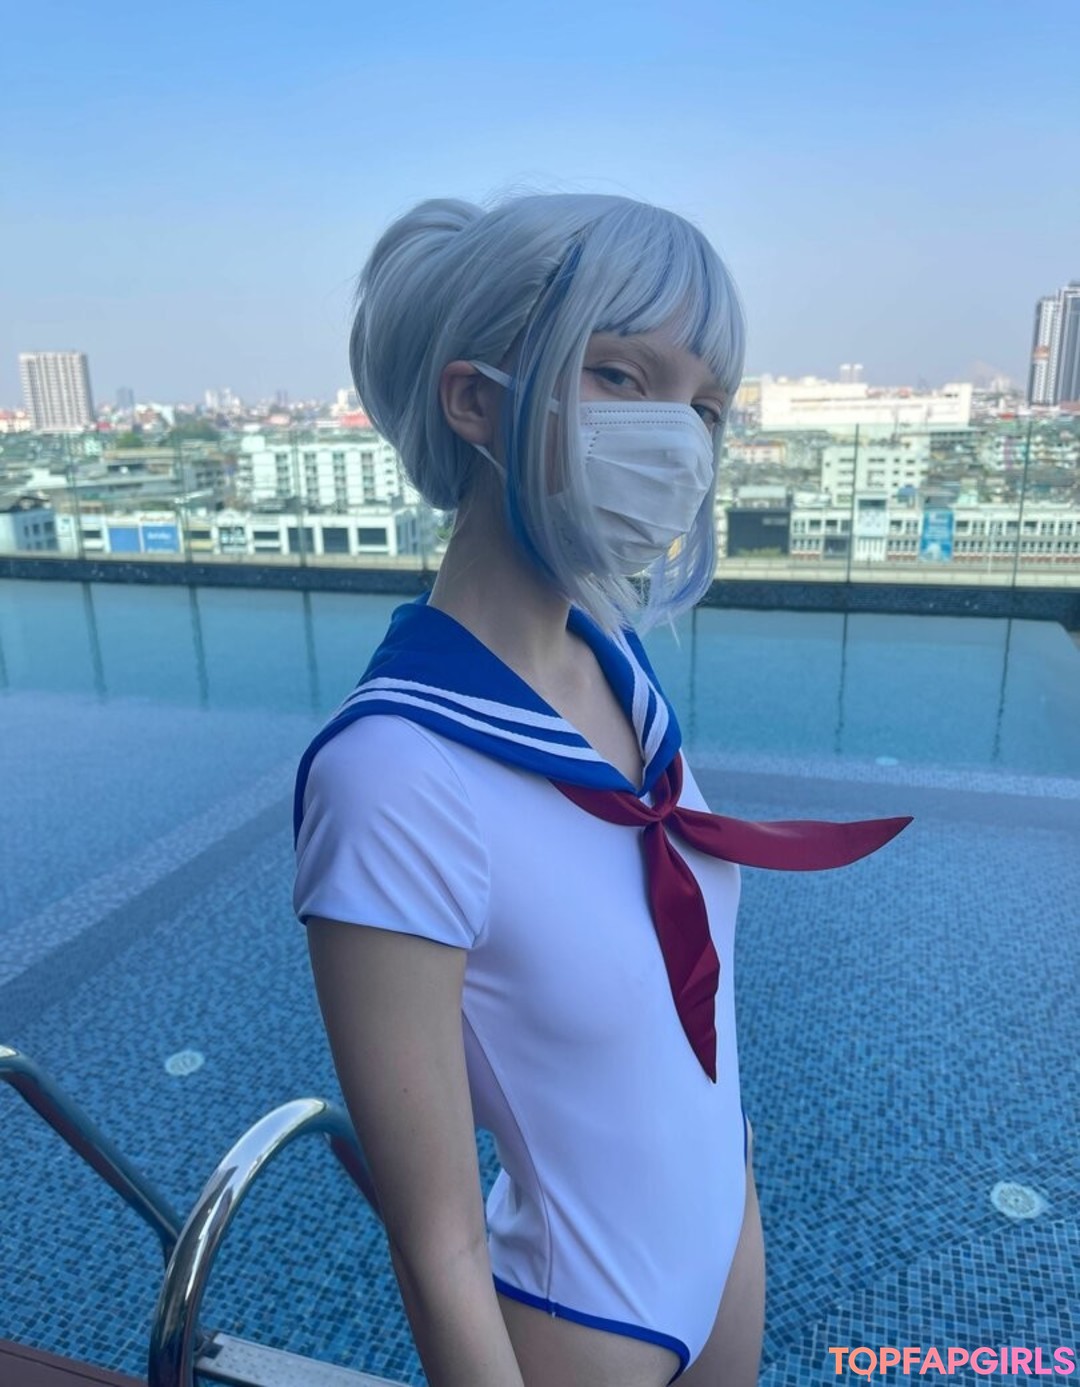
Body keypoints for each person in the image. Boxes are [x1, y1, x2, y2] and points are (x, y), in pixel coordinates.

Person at [292, 191, 913, 1387]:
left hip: (725, 1239)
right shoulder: (395, 776)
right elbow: (437, 1245)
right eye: (624, 375)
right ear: (474, 400)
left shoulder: (615, 663)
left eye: (706, 404)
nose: (679, 436)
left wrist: (737, 1205)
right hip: (587, 1323)